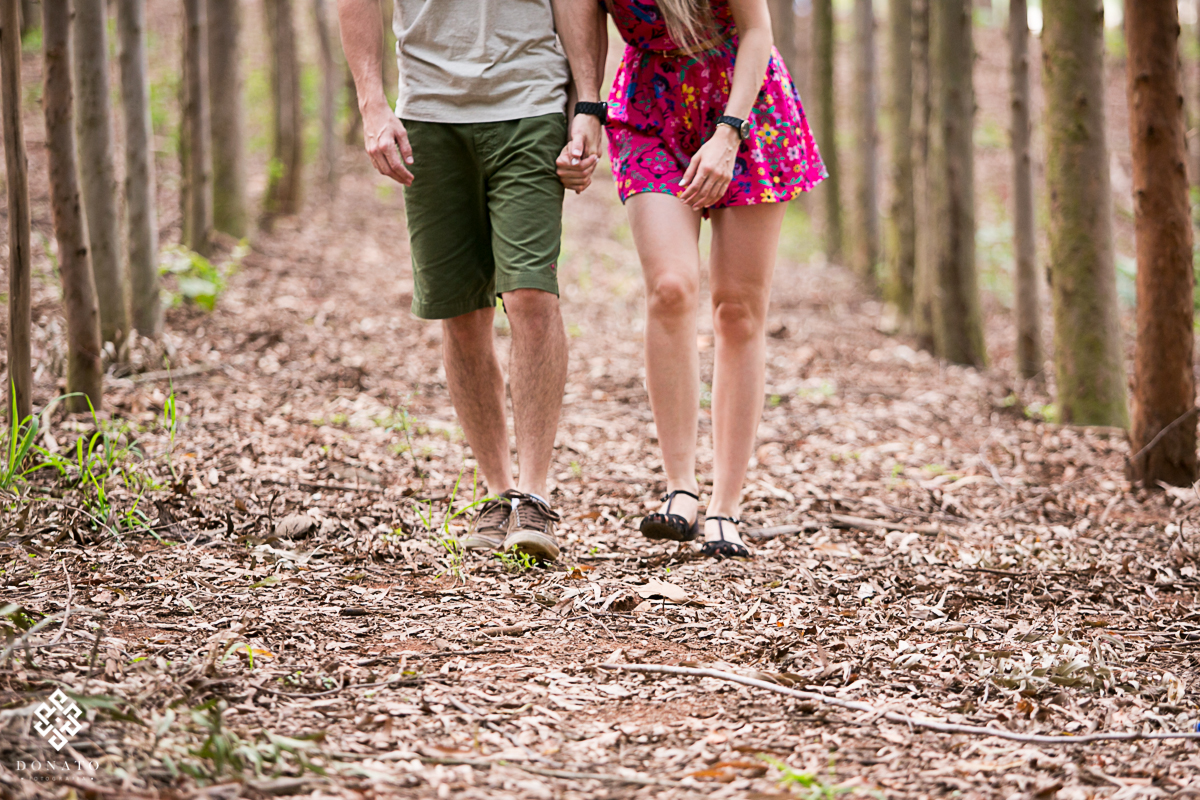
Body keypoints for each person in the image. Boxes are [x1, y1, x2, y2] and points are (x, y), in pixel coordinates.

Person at [558, 0, 827, 559]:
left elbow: (758, 31)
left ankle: (727, 505)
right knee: (671, 287)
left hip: (747, 106)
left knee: (738, 309)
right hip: (650, 109)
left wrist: (728, 134)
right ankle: (680, 487)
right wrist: (585, 109)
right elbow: (580, 19)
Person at [338, 0, 605, 561]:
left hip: (530, 101)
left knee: (531, 294)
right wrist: (371, 103)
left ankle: (534, 497)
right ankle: (497, 493)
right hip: (429, 113)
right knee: (462, 314)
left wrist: (588, 106)